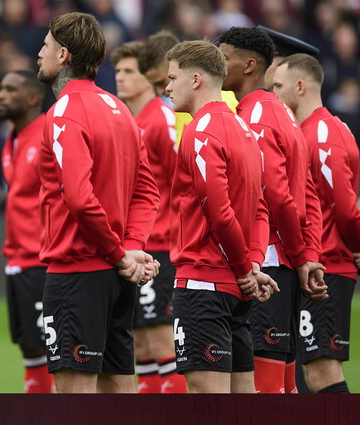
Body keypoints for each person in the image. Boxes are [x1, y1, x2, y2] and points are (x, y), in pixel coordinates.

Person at [35, 11, 161, 394]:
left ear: (63, 55)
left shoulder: (64, 113)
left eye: (45, 46)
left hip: (77, 272)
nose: (38, 53)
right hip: (116, 277)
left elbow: (78, 196)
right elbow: (147, 191)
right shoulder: (119, 109)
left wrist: (120, 254)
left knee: (73, 398)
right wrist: (131, 248)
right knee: (119, 391)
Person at [216, 26, 328, 394]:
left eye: (224, 55)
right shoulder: (278, 110)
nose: (218, 62)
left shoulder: (256, 117)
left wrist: (298, 256)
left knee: (264, 390)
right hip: (283, 260)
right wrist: (307, 254)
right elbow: (307, 191)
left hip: (268, 261)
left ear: (249, 65)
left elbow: (276, 195)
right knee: (286, 387)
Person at [163, 39, 278, 394]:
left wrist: (246, 268)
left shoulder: (200, 132)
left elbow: (218, 211)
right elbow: (261, 208)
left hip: (203, 284)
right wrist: (254, 264)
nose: (166, 87)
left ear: (195, 79)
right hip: (237, 289)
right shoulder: (243, 129)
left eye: (172, 77)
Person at [270, 53, 360, 394]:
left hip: (328, 267)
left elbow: (345, 208)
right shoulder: (314, 129)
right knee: (304, 371)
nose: (272, 93)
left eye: (278, 86)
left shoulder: (322, 135)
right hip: (316, 265)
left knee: (321, 372)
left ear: (300, 87)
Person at [111, 41, 187, 394]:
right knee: (139, 345)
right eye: (118, 71)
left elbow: (184, 179)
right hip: (135, 247)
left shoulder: (162, 118)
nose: (121, 78)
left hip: (162, 246)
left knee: (162, 343)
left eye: (130, 71)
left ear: (148, 77)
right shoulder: (129, 120)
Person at [0, 69, 55, 393]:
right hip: (17, 259)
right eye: (1, 89)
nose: (0, 95)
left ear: (32, 98)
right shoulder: (12, 138)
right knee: (30, 348)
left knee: (52, 348)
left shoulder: (48, 130)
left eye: (9, 89)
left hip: (41, 261)